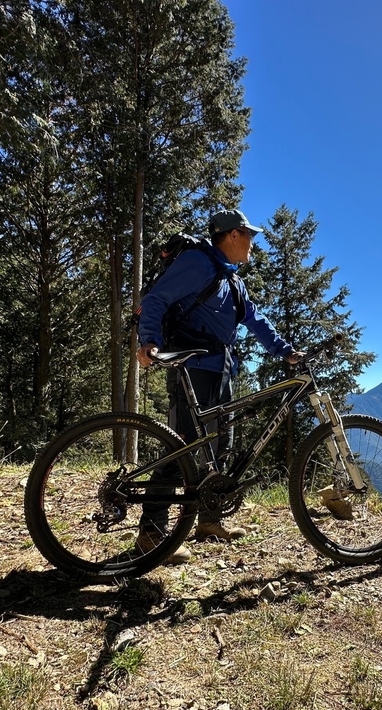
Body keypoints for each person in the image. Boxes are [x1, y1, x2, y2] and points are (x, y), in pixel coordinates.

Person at [135, 209, 303, 564]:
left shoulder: (233, 280)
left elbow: (255, 319)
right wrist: (148, 341)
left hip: (222, 369)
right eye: (249, 236)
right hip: (192, 366)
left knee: (220, 445)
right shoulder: (198, 263)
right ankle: (152, 533)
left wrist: (285, 352)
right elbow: (155, 300)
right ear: (231, 236)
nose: (253, 244)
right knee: (179, 448)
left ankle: (209, 521)